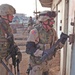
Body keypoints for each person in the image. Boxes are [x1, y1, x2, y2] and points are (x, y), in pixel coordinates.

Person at [26, 11, 66, 75]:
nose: (53, 22)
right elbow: (29, 49)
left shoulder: (52, 32)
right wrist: (42, 53)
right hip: (37, 64)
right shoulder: (35, 31)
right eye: (51, 20)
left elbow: (55, 47)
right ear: (44, 21)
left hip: (47, 64)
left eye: (53, 20)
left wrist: (62, 41)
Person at [0, 4, 22, 75]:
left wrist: (17, 50)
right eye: (11, 15)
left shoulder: (8, 28)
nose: (13, 17)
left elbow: (11, 42)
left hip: (5, 60)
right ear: (4, 15)